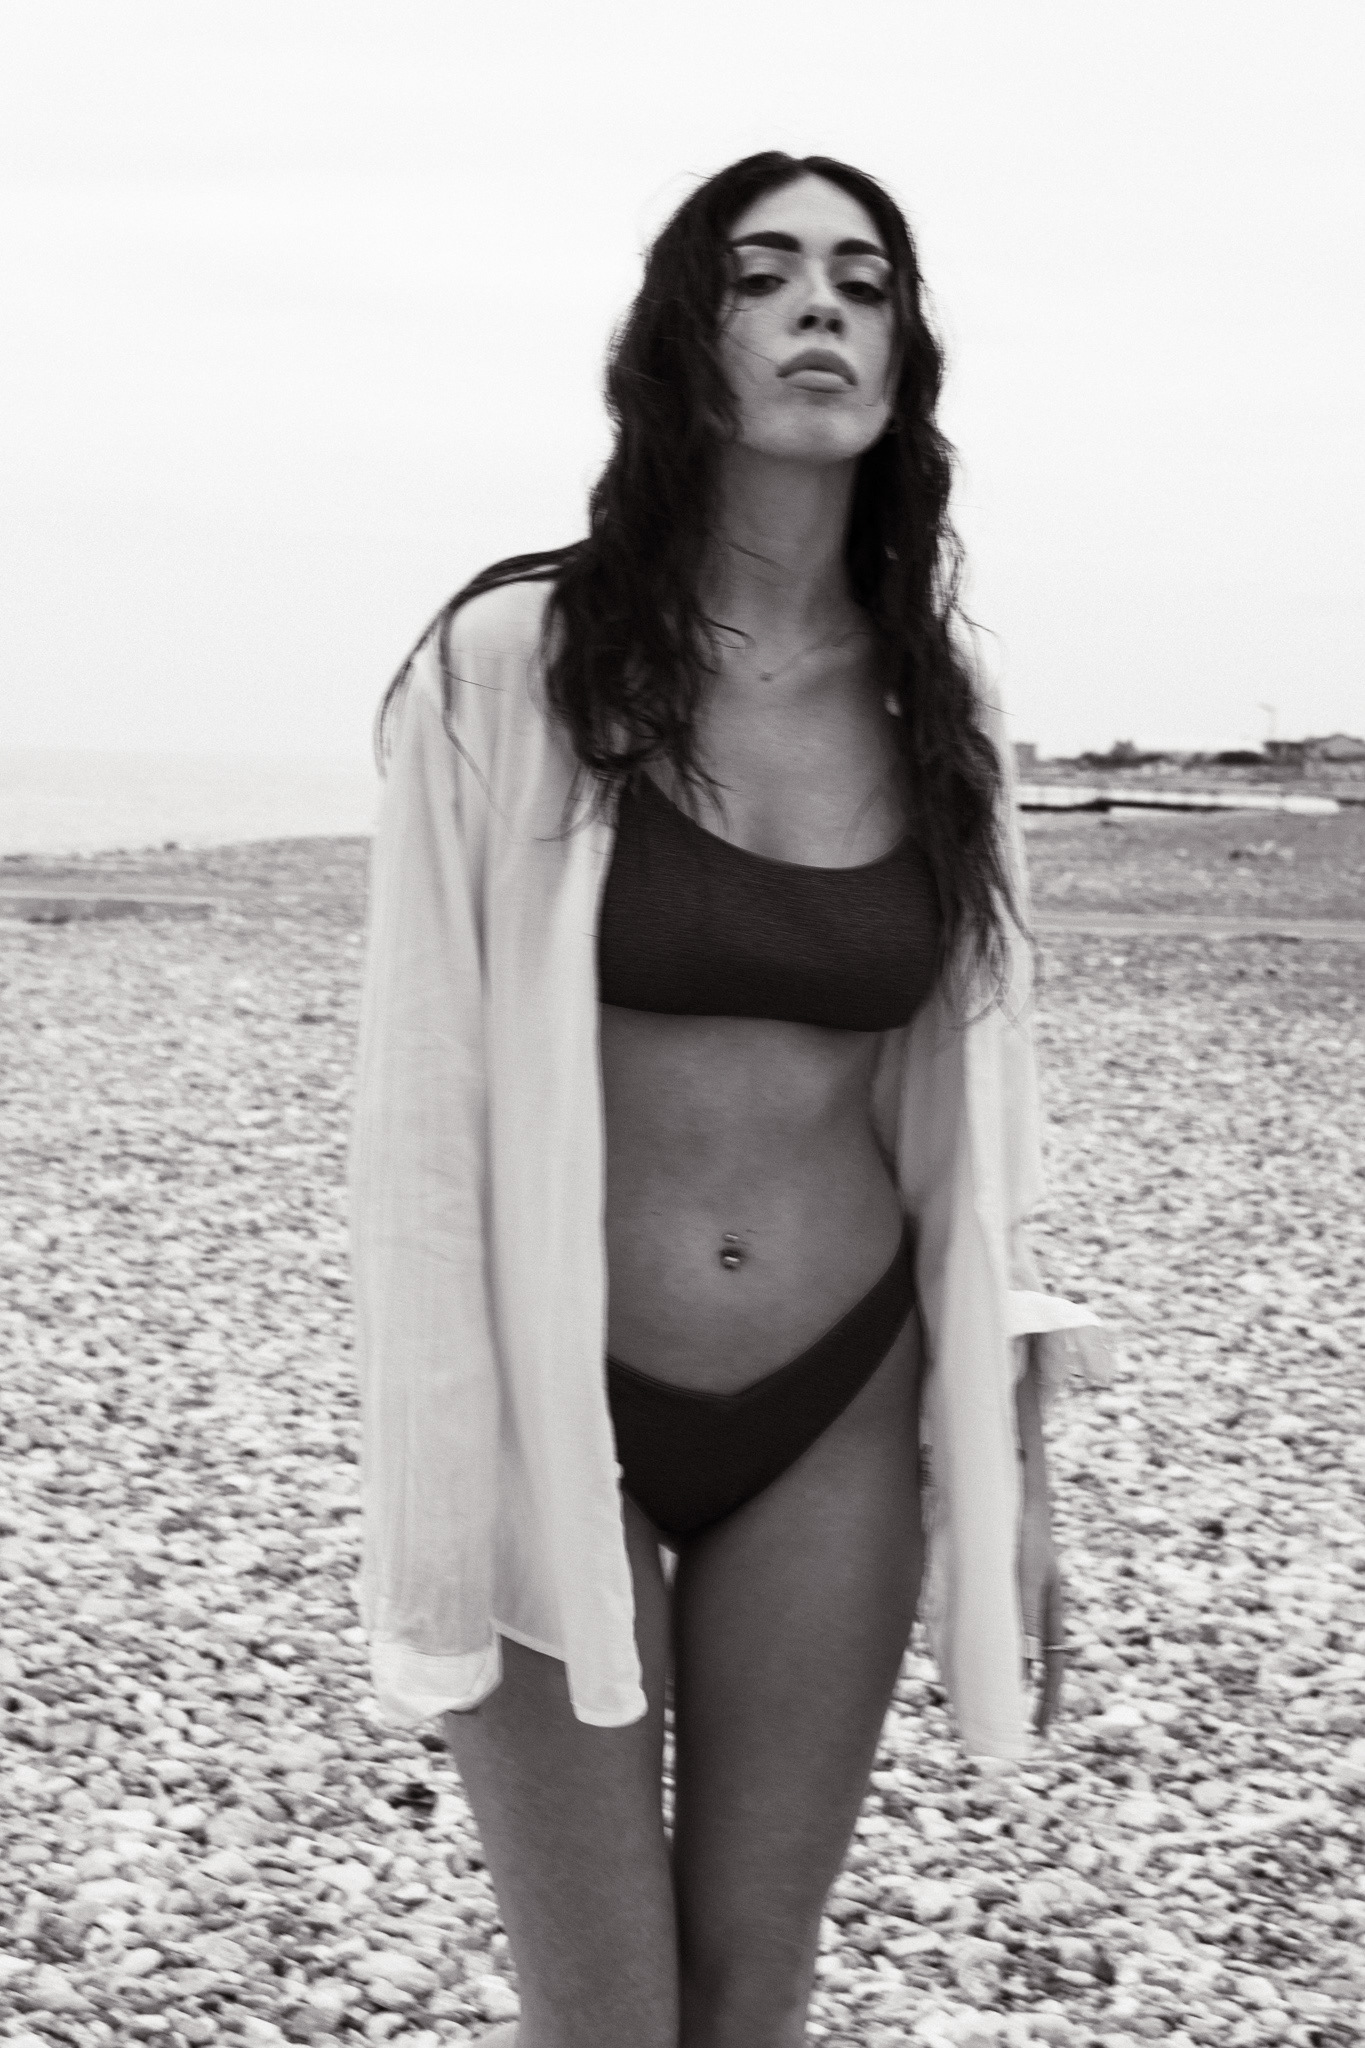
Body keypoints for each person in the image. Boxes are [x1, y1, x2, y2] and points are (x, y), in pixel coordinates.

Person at [349, 151, 1104, 2048]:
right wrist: (433, 1466)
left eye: (861, 277)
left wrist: (1012, 1471)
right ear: (684, 347)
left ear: (905, 353)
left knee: (749, 1998)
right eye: (764, 275)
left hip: (831, 1410)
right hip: (555, 1405)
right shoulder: (511, 669)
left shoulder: (946, 709)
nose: (819, 306)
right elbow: (420, 1112)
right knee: (605, 2017)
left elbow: (976, 1126)